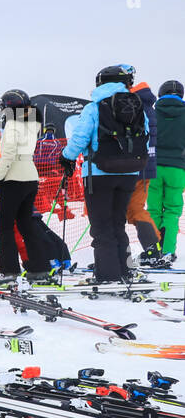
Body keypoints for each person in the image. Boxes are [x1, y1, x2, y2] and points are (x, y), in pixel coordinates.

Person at [61, 64, 150, 282]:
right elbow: (145, 133)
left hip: (99, 173)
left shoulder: (94, 107)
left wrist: (66, 157)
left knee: (102, 227)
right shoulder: (137, 106)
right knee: (118, 224)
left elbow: (80, 138)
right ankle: (125, 269)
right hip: (129, 172)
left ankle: (107, 275)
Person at [0, 90, 50, 283]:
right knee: (26, 224)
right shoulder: (32, 124)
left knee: (5, 227)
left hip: (14, 178)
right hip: (30, 176)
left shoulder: (13, 124)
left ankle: (8, 270)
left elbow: (10, 153)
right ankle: (39, 268)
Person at [150, 80, 184, 266]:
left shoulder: (152, 113)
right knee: (172, 211)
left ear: (160, 94)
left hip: (153, 166)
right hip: (177, 168)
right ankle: (168, 251)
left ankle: (152, 249)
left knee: (154, 210)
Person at [127, 76, 161, 263]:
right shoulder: (149, 107)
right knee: (136, 209)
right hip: (147, 165)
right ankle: (153, 248)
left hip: (132, 167)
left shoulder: (134, 106)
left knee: (122, 211)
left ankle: (150, 249)